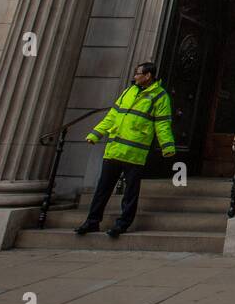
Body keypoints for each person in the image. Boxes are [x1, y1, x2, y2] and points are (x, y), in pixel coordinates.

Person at [75, 62, 175, 238]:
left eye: (138, 74)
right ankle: (92, 222)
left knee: (130, 192)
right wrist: (96, 134)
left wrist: (167, 146)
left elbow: (162, 123)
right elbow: (113, 115)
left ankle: (122, 224)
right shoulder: (128, 91)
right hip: (114, 149)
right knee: (102, 189)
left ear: (148, 76)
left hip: (135, 151)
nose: (134, 76)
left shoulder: (160, 97)